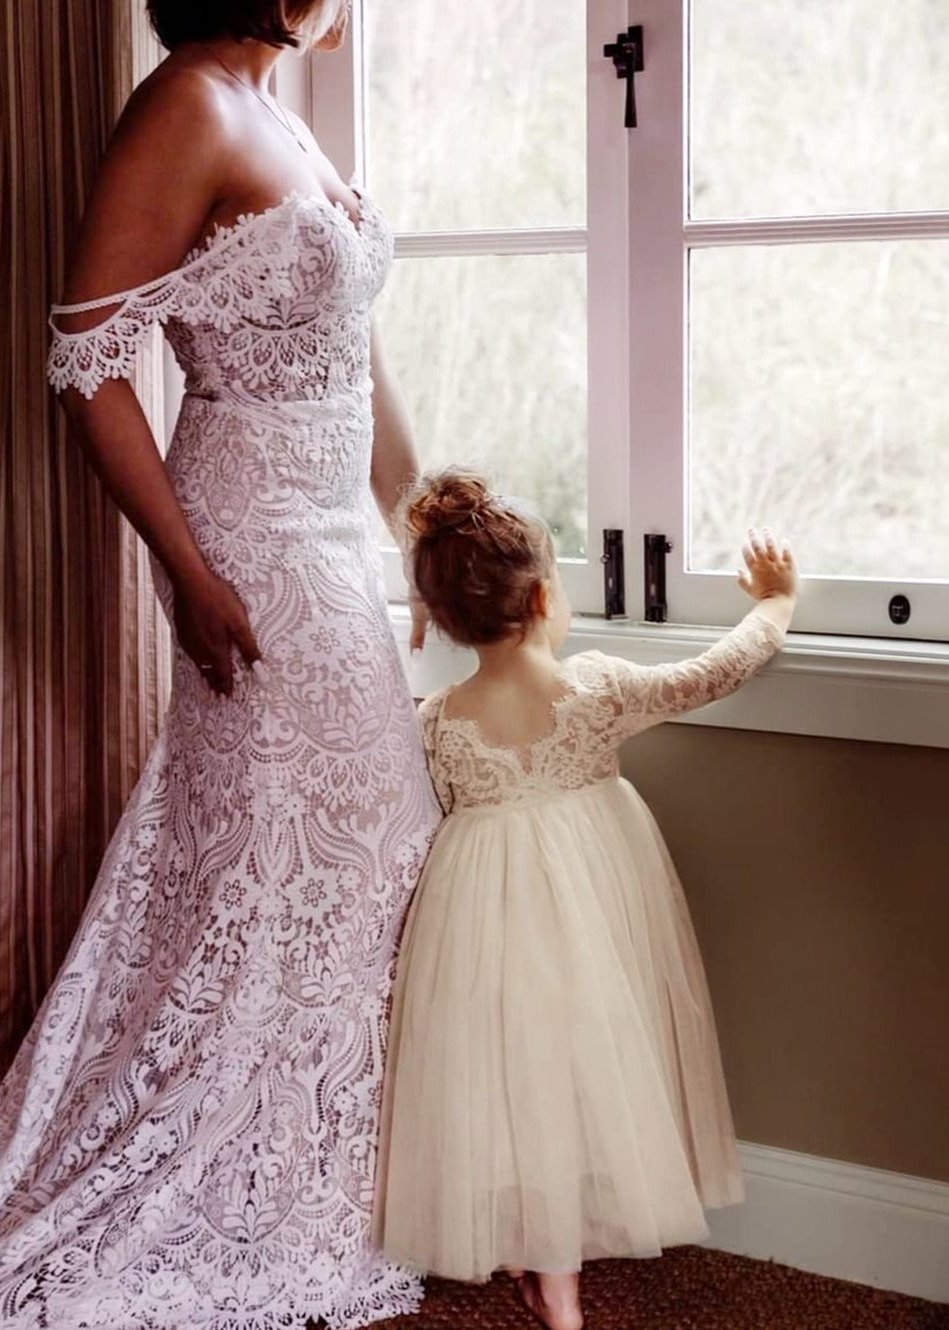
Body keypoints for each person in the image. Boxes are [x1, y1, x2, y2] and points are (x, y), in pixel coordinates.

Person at [0, 3, 440, 1327]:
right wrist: (190, 570)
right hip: (250, 539)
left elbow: (347, 356)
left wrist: (419, 523)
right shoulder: (183, 104)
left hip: (333, 536)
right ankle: (249, 1177)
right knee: (298, 850)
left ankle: (354, 1167)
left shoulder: (278, 109)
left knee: (369, 848)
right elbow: (86, 360)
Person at [373, 470, 798, 1330]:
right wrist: (776, 604)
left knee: (508, 1078)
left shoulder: (436, 720)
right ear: (540, 598)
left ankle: (540, 1263)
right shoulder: (594, 687)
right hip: (594, 906)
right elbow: (718, 670)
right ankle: (558, 1281)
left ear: (449, 618)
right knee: (576, 1074)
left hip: (478, 918)